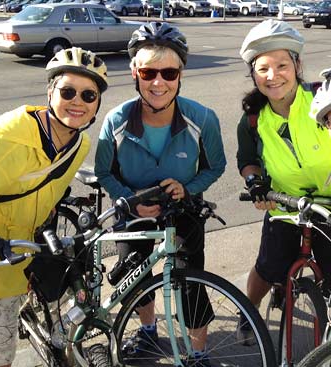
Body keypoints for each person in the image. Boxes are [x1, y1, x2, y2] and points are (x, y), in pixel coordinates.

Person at [0, 47, 108, 367]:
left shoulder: (78, 145)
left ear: (97, 103)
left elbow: (47, 194)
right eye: (67, 91)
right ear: (51, 92)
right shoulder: (10, 135)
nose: (77, 102)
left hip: (4, 261)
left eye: (88, 95)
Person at [95, 21, 226, 365]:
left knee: (190, 281)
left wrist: (188, 188)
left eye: (169, 73)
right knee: (134, 272)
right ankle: (149, 329)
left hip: (182, 207)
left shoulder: (203, 118)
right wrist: (131, 200)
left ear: (180, 75)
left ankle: (198, 351)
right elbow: (103, 173)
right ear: (135, 74)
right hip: (131, 207)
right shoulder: (116, 120)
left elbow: (215, 167)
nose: (158, 82)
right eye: (149, 72)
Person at [236, 19, 331, 343]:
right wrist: (255, 183)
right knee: (268, 268)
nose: (272, 75)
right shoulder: (252, 119)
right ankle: (248, 311)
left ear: (297, 65)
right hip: (284, 204)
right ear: (253, 74)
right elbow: (247, 162)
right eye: (263, 68)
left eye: (281, 65)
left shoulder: (323, 98)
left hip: (329, 207)